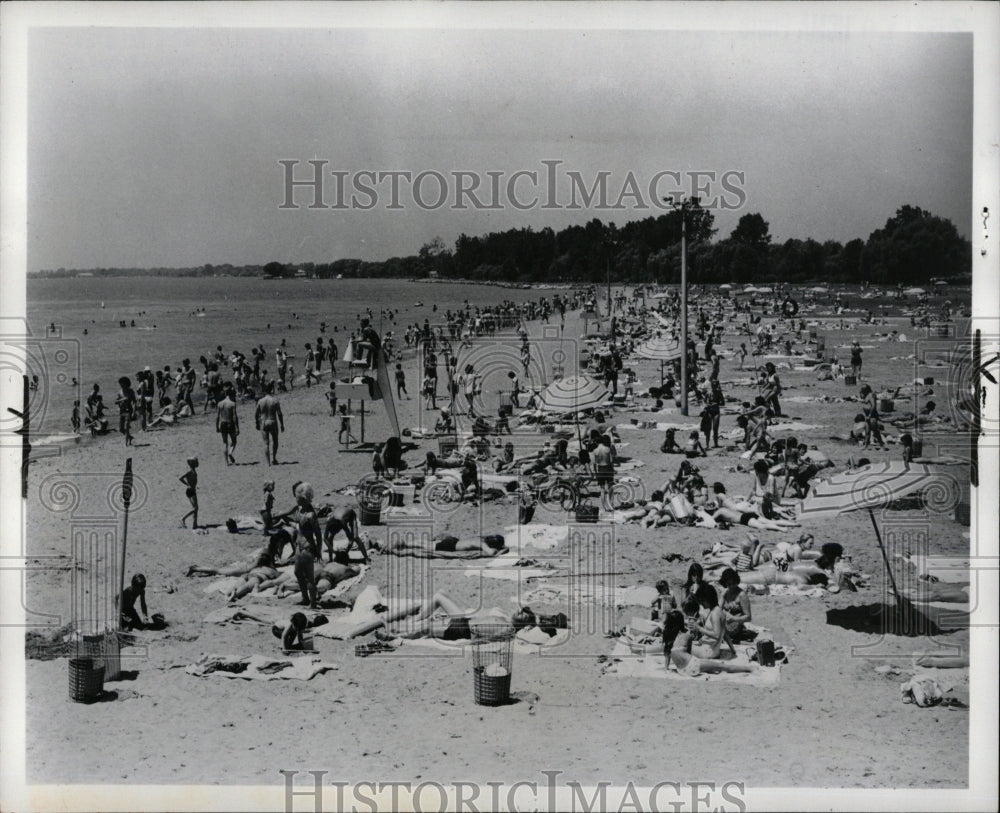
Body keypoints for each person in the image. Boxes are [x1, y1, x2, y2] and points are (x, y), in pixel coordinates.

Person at [255, 382, 285, 465]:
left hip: (264, 422)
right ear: (271, 390)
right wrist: (282, 424)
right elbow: (279, 414)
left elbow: (256, 414)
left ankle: (268, 462)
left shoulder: (260, 401)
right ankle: (274, 458)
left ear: (264, 391)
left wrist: (257, 423)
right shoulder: (275, 400)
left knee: (266, 443)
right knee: (275, 441)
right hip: (272, 421)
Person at [719, 568, 752, 641]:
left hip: (735, 626)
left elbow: (748, 617)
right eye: (729, 584)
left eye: (734, 583)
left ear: (737, 581)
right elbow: (718, 610)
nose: (732, 586)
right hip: (725, 622)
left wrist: (733, 618)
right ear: (725, 583)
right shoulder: (725, 593)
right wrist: (722, 597)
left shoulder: (741, 595)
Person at [216, 385, 239, 465]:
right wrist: (237, 427)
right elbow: (235, 416)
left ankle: (226, 462)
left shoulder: (220, 403)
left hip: (222, 423)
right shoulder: (232, 404)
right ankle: (230, 452)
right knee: (234, 441)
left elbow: (217, 417)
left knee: (225, 443)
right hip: (230, 423)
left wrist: (217, 427)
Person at [860, 384, 885, 449]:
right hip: (868, 416)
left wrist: (870, 415)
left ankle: (882, 445)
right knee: (867, 431)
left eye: (863, 389)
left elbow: (873, 405)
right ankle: (866, 446)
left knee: (875, 431)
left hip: (872, 416)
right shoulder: (867, 395)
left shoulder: (871, 395)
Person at [179, 457, 199, 528]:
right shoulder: (189, 471)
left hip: (193, 490)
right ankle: (183, 519)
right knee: (195, 508)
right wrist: (188, 484)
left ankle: (195, 524)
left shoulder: (193, 470)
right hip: (190, 491)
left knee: (196, 508)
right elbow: (180, 478)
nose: (197, 463)